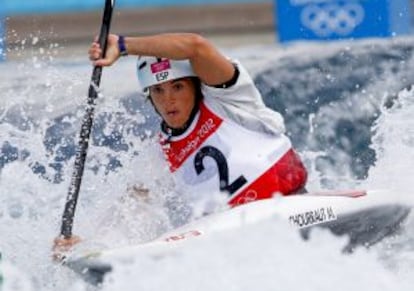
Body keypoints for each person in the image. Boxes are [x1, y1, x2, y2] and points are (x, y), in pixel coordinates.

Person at [53, 32, 307, 257]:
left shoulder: (230, 99)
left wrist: (122, 44)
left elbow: (196, 46)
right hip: (230, 238)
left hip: (291, 204)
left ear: (195, 85)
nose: (168, 100)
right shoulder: (158, 155)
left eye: (177, 86)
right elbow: (132, 215)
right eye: (158, 91)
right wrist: (88, 249)